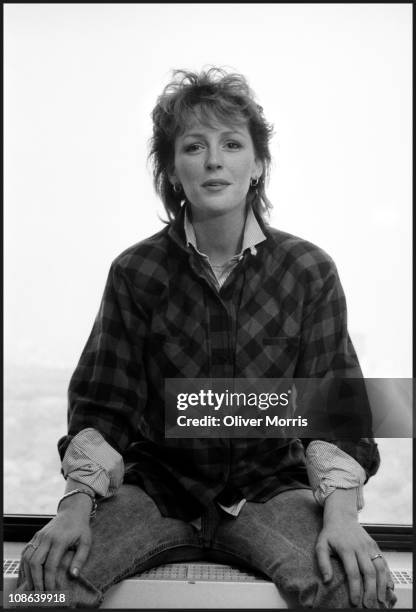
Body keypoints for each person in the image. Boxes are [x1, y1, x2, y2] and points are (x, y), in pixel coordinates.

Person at [14, 67, 396, 609]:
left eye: (232, 144)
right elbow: (105, 405)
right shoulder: (136, 271)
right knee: (41, 591)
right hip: (158, 492)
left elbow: (335, 411)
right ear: (173, 170)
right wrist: (72, 511)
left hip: (268, 491)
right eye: (194, 146)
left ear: (257, 164)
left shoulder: (308, 270)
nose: (214, 160)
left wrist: (341, 520)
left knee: (358, 590)